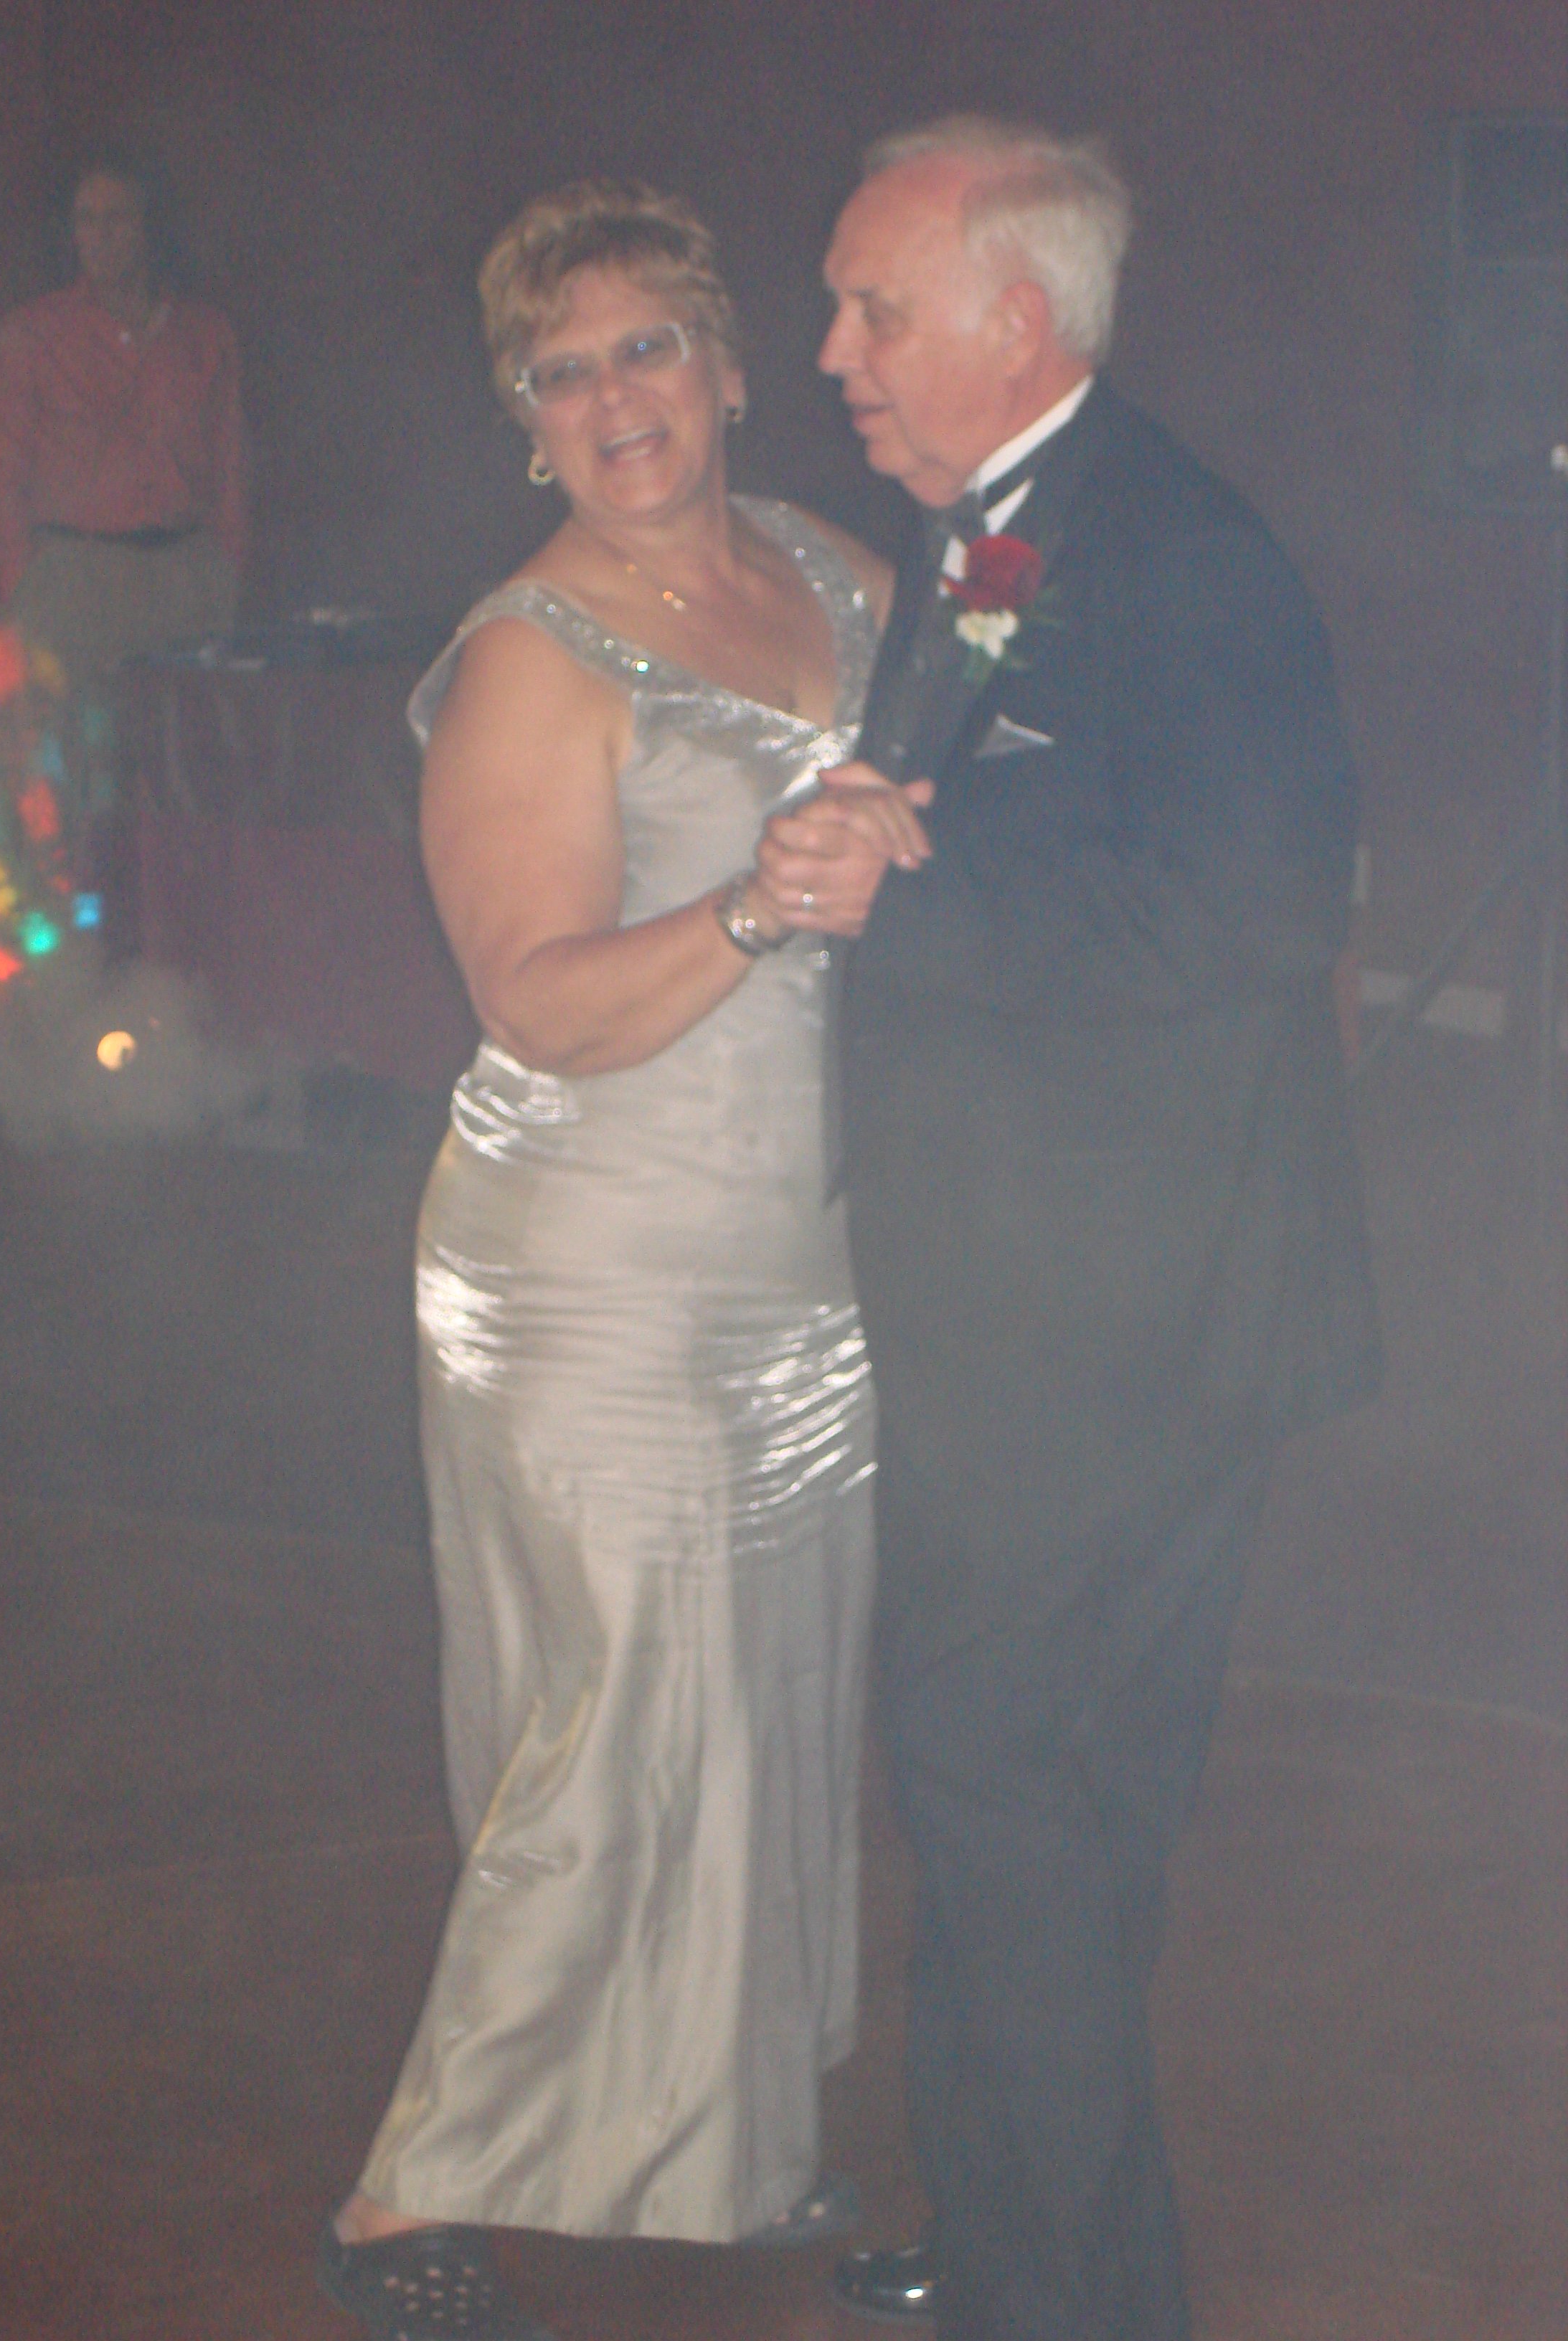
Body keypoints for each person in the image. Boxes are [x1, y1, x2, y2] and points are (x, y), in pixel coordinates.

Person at [754, 118, 1381, 2341]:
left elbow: (1263, 910)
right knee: (1049, 1809)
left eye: (874, 306)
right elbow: (1054, 813)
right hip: (1061, 1297)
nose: (833, 350)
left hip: (1115, 1323)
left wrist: (912, 897)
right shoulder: (1006, 517)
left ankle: (1075, 2296)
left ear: (1017, 319)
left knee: (1005, 1785)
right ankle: (1017, 2238)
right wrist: (898, 833)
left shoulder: (1180, 548)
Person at [317, 181, 930, 2341]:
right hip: (595, 1266)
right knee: (613, 1728)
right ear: (525, 422)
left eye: (645, 345)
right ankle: (415, 2189)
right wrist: (761, 902)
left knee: (759, 1716)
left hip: (801, 1259)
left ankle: (713, 2137)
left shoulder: (840, 574)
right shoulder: (530, 652)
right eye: (559, 372)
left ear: (733, 365)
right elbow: (538, 1003)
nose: (612, 397)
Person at [0, 151, 247, 891]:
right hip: (76, 577)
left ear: (150, 227)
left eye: (118, 218)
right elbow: (2, 477)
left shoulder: (204, 334)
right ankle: (76, 933)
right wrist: (25, 583)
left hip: (181, 574)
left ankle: (177, 923)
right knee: (70, 781)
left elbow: (230, 466)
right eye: (87, 220)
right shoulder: (31, 336)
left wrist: (224, 573)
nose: (101, 236)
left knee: (181, 773)